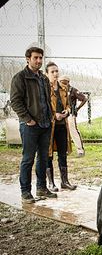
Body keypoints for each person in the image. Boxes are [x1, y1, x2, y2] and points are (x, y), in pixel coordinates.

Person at [10, 47, 56, 203]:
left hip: (45, 124)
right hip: (29, 126)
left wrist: (50, 117)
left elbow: (47, 100)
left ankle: (42, 188)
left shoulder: (43, 78)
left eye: (41, 58)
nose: (39, 61)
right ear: (28, 59)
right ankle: (25, 192)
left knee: (43, 158)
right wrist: (27, 119)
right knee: (28, 159)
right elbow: (15, 102)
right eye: (36, 58)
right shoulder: (20, 78)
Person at [45, 62, 77, 192]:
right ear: (47, 74)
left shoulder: (63, 88)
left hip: (62, 126)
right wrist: (54, 115)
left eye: (56, 71)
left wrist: (67, 112)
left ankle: (65, 181)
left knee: (62, 154)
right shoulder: (45, 88)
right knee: (49, 154)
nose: (55, 74)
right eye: (52, 72)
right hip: (49, 126)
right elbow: (43, 107)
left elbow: (69, 105)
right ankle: (51, 183)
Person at [59, 75, 87, 156]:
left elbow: (84, 99)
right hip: (62, 113)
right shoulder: (59, 90)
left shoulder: (73, 90)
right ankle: (65, 149)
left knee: (73, 131)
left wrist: (77, 108)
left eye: (64, 82)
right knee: (63, 131)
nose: (63, 84)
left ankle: (80, 150)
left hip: (71, 113)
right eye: (61, 82)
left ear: (68, 82)